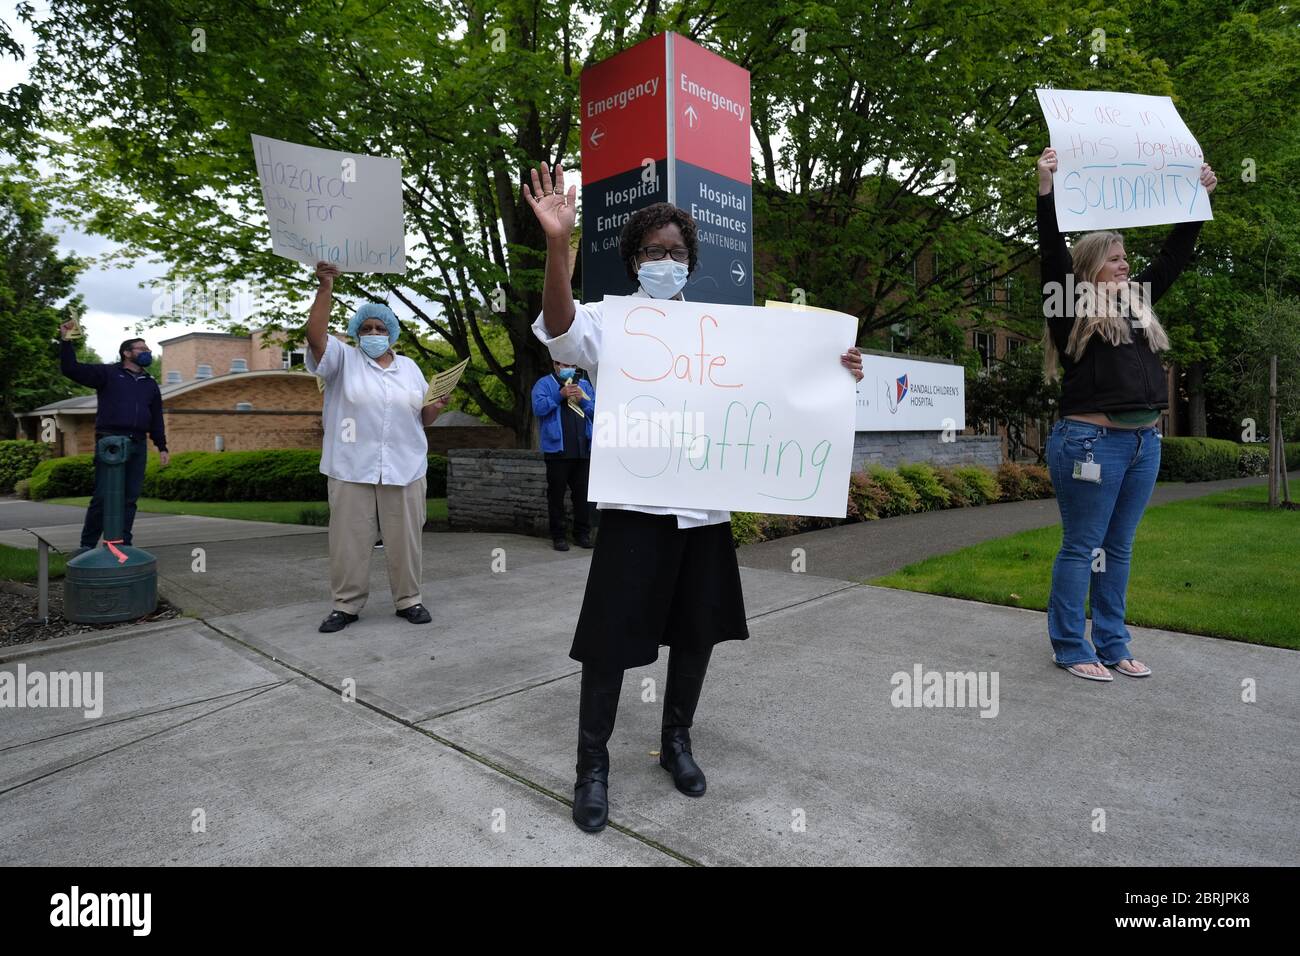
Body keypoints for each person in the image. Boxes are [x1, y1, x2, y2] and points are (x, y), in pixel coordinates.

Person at [523, 161, 864, 833]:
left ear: (690, 262)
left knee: (696, 632)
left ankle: (675, 741)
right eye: (653, 252)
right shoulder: (610, 323)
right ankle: (592, 767)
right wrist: (559, 244)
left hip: (703, 510)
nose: (665, 261)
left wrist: (839, 366)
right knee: (610, 640)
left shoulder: (723, 331)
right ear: (633, 261)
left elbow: (786, 381)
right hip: (635, 511)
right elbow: (559, 328)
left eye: (676, 253)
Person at [1036, 146, 1217, 681]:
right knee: (1081, 546)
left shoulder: (1138, 303)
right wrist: (1045, 192)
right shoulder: (1065, 303)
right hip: (1090, 444)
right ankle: (1071, 646)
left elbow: (1174, 256)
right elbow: (1050, 253)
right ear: (1091, 266)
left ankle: (1113, 643)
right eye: (1115, 257)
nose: (1126, 263)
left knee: (1117, 547)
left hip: (1143, 446)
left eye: (1126, 256)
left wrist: (1195, 199)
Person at [305, 261, 451, 633]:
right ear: (355, 332)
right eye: (366, 327)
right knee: (349, 541)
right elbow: (315, 338)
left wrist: (434, 407)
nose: (373, 332)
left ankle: (409, 600)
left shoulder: (411, 369)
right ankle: (346, 605)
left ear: (392, 334)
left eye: (380, 328)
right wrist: (325, 289)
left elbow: (423, 419)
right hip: (351, 467)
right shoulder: (343, 360)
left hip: (405, 466)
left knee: (406, 540)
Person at [57, 325, 169, 556]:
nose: (147, 351)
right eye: (142, 348)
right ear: (127, 353)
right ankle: (86, 546)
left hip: (138, 444)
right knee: (102, 496)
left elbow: (156, 416)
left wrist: (162, 446)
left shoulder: (150, 383)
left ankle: (121, 544)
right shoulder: (107, 374)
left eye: (147, 348)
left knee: (130, 498)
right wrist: (66, 341)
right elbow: (71, 368)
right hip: (111, 442)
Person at [532, 359, 596, 551]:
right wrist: (559, 395)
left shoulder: (584, 384)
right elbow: (538, 409)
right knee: (556, 495)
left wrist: (583, 400)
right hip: (557, 450)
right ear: (554, 364)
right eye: (562, 364)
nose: (567, 368)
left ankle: (582, 534)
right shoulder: (544, 383)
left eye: (571, 365)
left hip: (583, 449)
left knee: (582, 496)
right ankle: (558, 536)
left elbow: (596, 411)